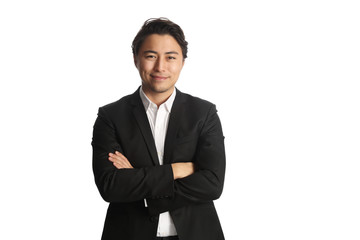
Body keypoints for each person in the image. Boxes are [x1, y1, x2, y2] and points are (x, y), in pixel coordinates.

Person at [92, 18, 226, 240]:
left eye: (170, 57)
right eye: (151, 56)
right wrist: (177, 170)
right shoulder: (111, 116)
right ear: (136, 59)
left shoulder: (204, 114)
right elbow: (111, 186)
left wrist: (137, 180)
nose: (160, 67)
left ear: (182, 61)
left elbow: (212, 184)